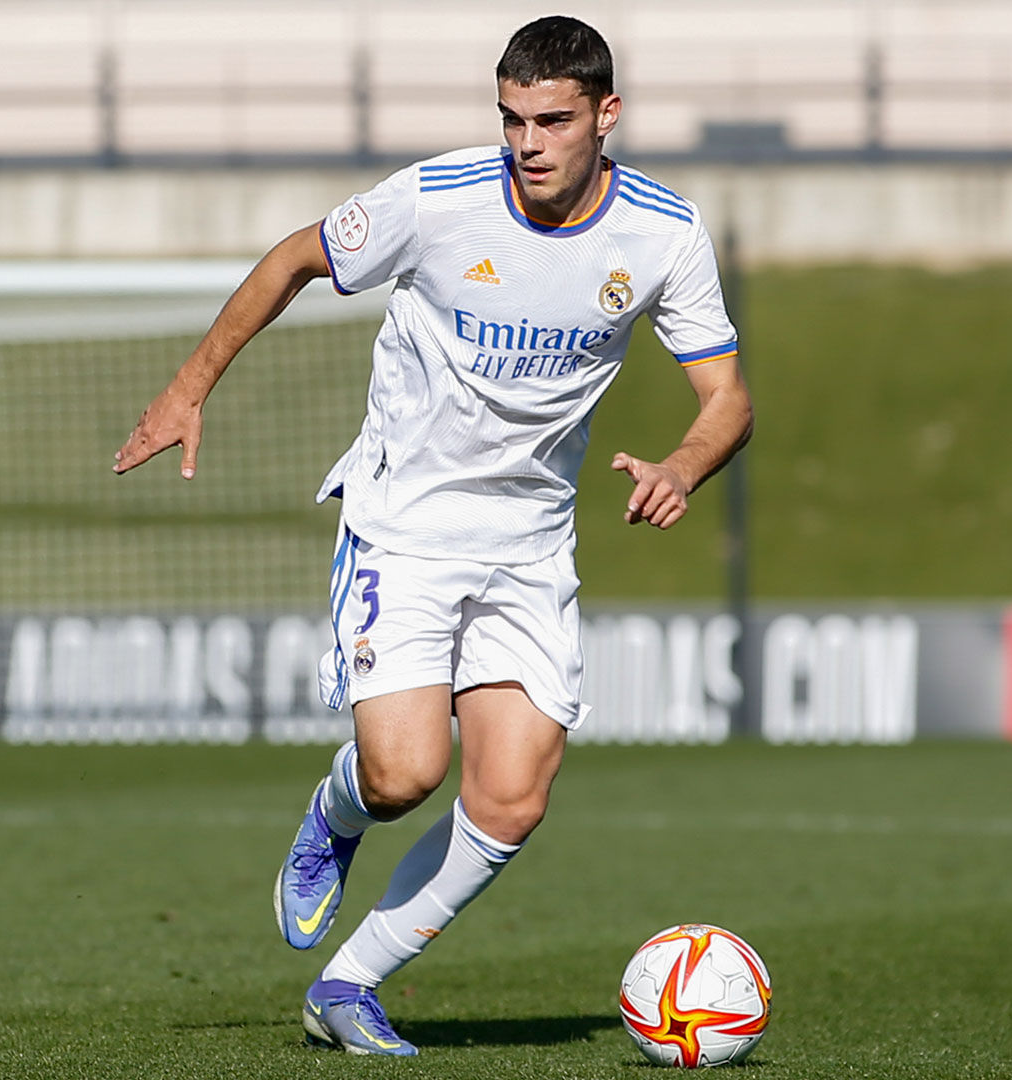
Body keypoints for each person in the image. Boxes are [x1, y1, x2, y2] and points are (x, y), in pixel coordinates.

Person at [113, 15, 752, 1054]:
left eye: (552, 119)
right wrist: (190, 388)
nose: (528, 142)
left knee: (511, 797)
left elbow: (727, 396)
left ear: (607, 115)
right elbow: (294, 259)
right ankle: (337, 811)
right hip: (404, 523)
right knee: (406, 773)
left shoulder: (663, 233)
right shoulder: (439, 198)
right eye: (512, 119)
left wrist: (684, 464)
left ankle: (348, 985)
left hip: (531, 543)